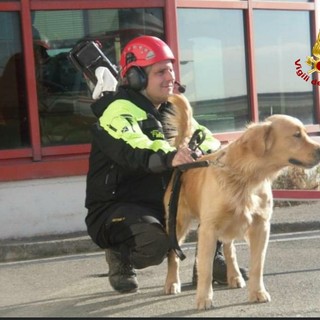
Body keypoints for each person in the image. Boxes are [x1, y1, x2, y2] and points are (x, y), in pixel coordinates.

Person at [85, 35, 248, 294]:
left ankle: (208, 262)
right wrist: (171, 156)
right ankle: (119, 253)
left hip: (163, 202)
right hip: (117, 208)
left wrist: (226, 156)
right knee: (155, 245)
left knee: (215, 189)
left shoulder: (169, 109)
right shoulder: (117, 111)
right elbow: (134, 146)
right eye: (160, 71)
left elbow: (203, 138)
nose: (170, 77)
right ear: (137, 77)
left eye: (171, 70)